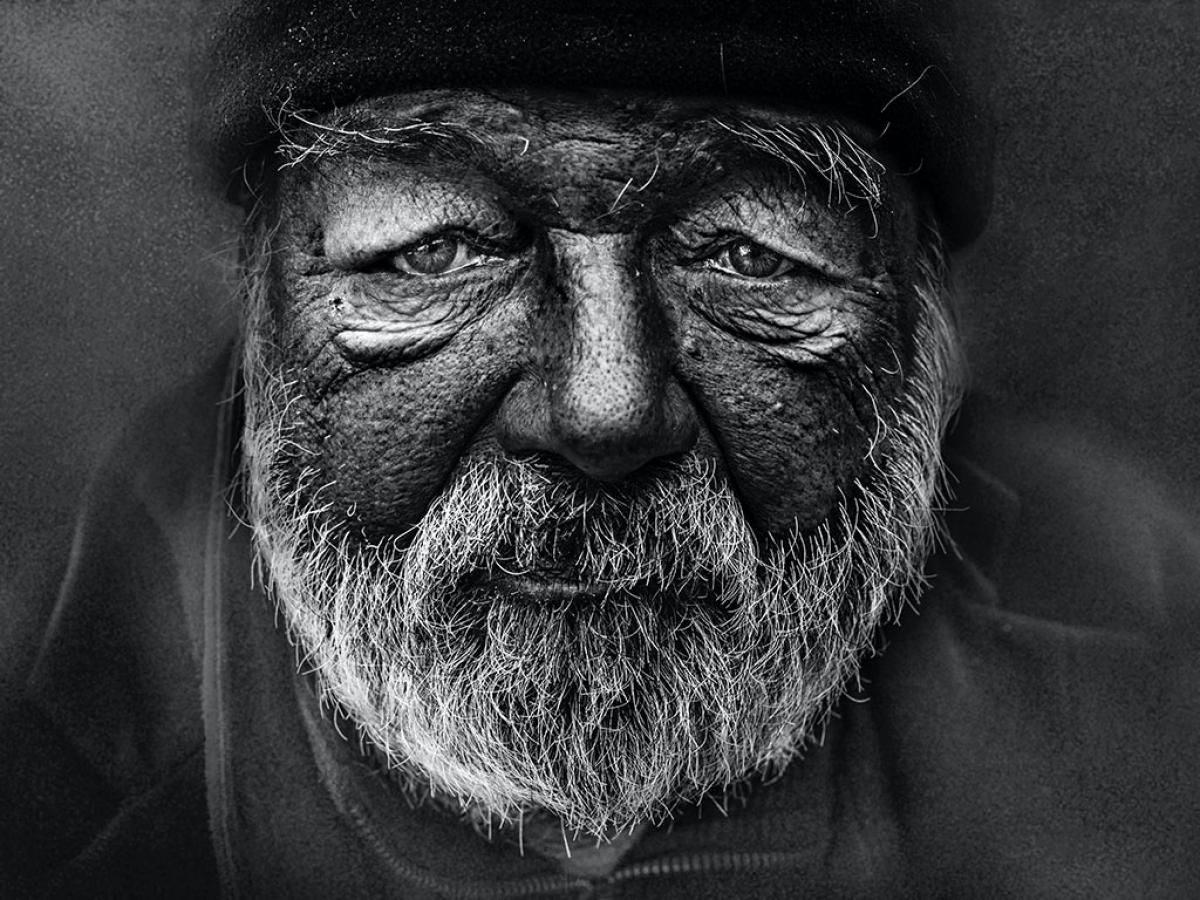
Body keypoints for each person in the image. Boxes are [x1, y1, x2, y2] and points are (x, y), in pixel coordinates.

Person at [6, 1, 1200, 897]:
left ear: (927, 348)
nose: (607, 407)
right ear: (260, 321)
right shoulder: (61, 792)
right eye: (434, 248)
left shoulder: (1143, 711)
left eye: (752, 252)